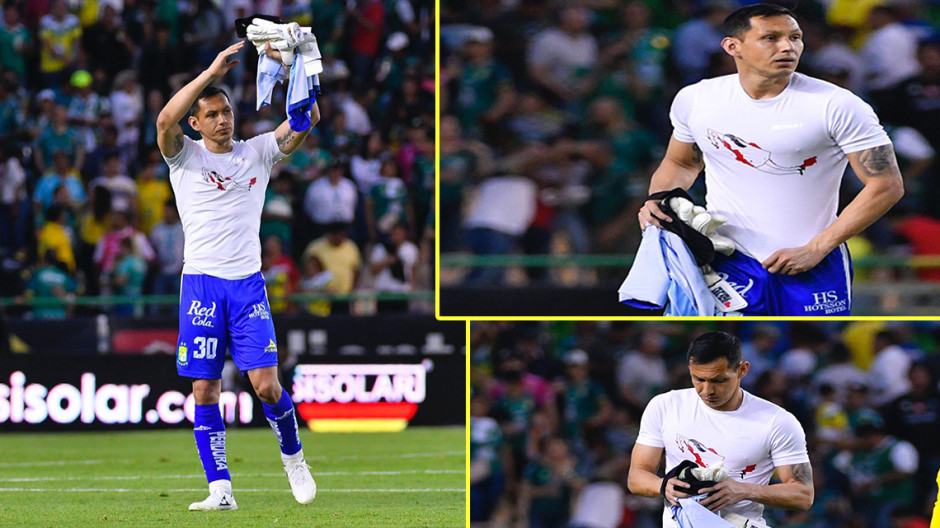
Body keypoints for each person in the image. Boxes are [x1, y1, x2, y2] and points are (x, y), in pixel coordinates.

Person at [637, 3, 904, 316]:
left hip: (812, 263)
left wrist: (817, 248)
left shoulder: (837, 105)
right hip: (727, 262)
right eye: (771, 38)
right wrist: (659, 200)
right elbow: (682, 164)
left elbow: (887, 185)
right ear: (732, 46)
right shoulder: (696, 99)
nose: (787, 47)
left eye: (795, 37)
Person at [156, 40, 319, 511]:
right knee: (204, 387)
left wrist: (301, 66)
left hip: (247, 285)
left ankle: (294, 460)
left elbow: (304, 122)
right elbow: (164, 122)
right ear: (197, 123)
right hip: (202, 284)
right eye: (211, 114)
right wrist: (210, 73)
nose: (223, 119)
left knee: (266, 386)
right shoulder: (183, 157)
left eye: (226, 111)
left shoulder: (258, 153)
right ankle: (220, 490)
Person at [627, 331, 813, 526]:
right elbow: (637, 476)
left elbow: (803, 495)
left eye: (718, 380)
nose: (707, 391)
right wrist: (663, 485)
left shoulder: (777, 421)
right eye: (698, 379)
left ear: (742, 370)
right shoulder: (665, 406)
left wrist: (744, 490)